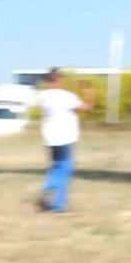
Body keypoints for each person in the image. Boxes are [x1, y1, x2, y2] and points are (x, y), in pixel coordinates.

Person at [35, 69, 89, 213]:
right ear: (58, 80)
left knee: (56, 167)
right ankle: (57, 203)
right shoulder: (68, 97)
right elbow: (85, 107)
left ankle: (50, 190)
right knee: (65, 169)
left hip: (49, 138)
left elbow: (67, 110)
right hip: (65, 137)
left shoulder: (42, 96)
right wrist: (90, 94)